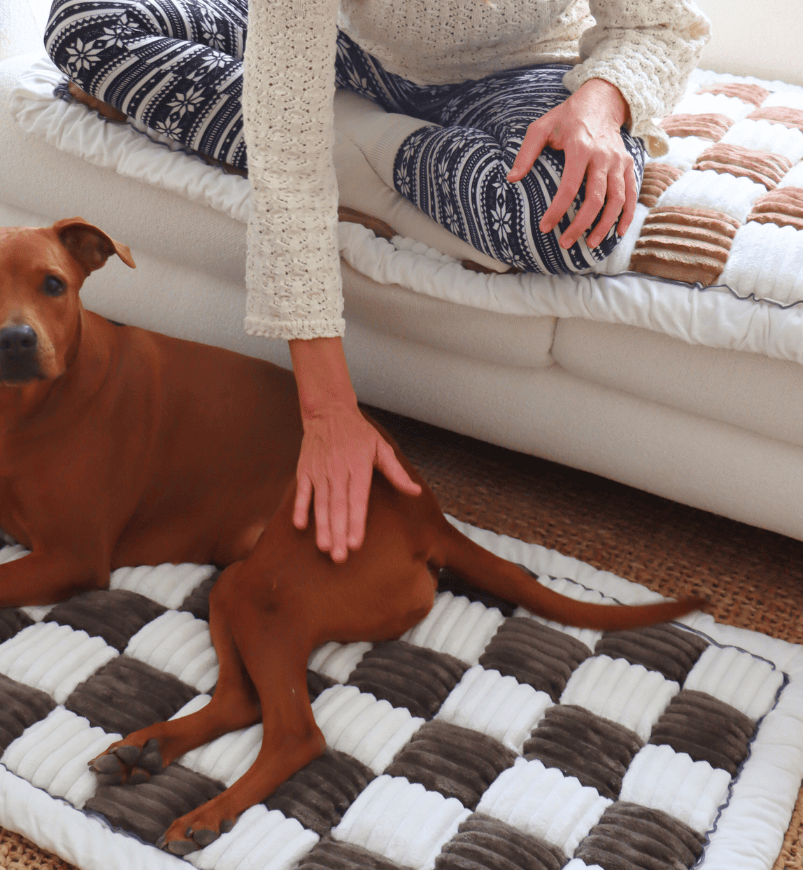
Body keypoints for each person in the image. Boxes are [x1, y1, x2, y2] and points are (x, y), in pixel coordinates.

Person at [45, 0, 710, 561]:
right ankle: (354, 140)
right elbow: (285, 152)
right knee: (88, 22)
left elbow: (661, 25)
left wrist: (602, 103)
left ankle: (357, 142)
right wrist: (328, 409)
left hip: (524, 72)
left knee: (563, 219)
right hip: (347, 53)